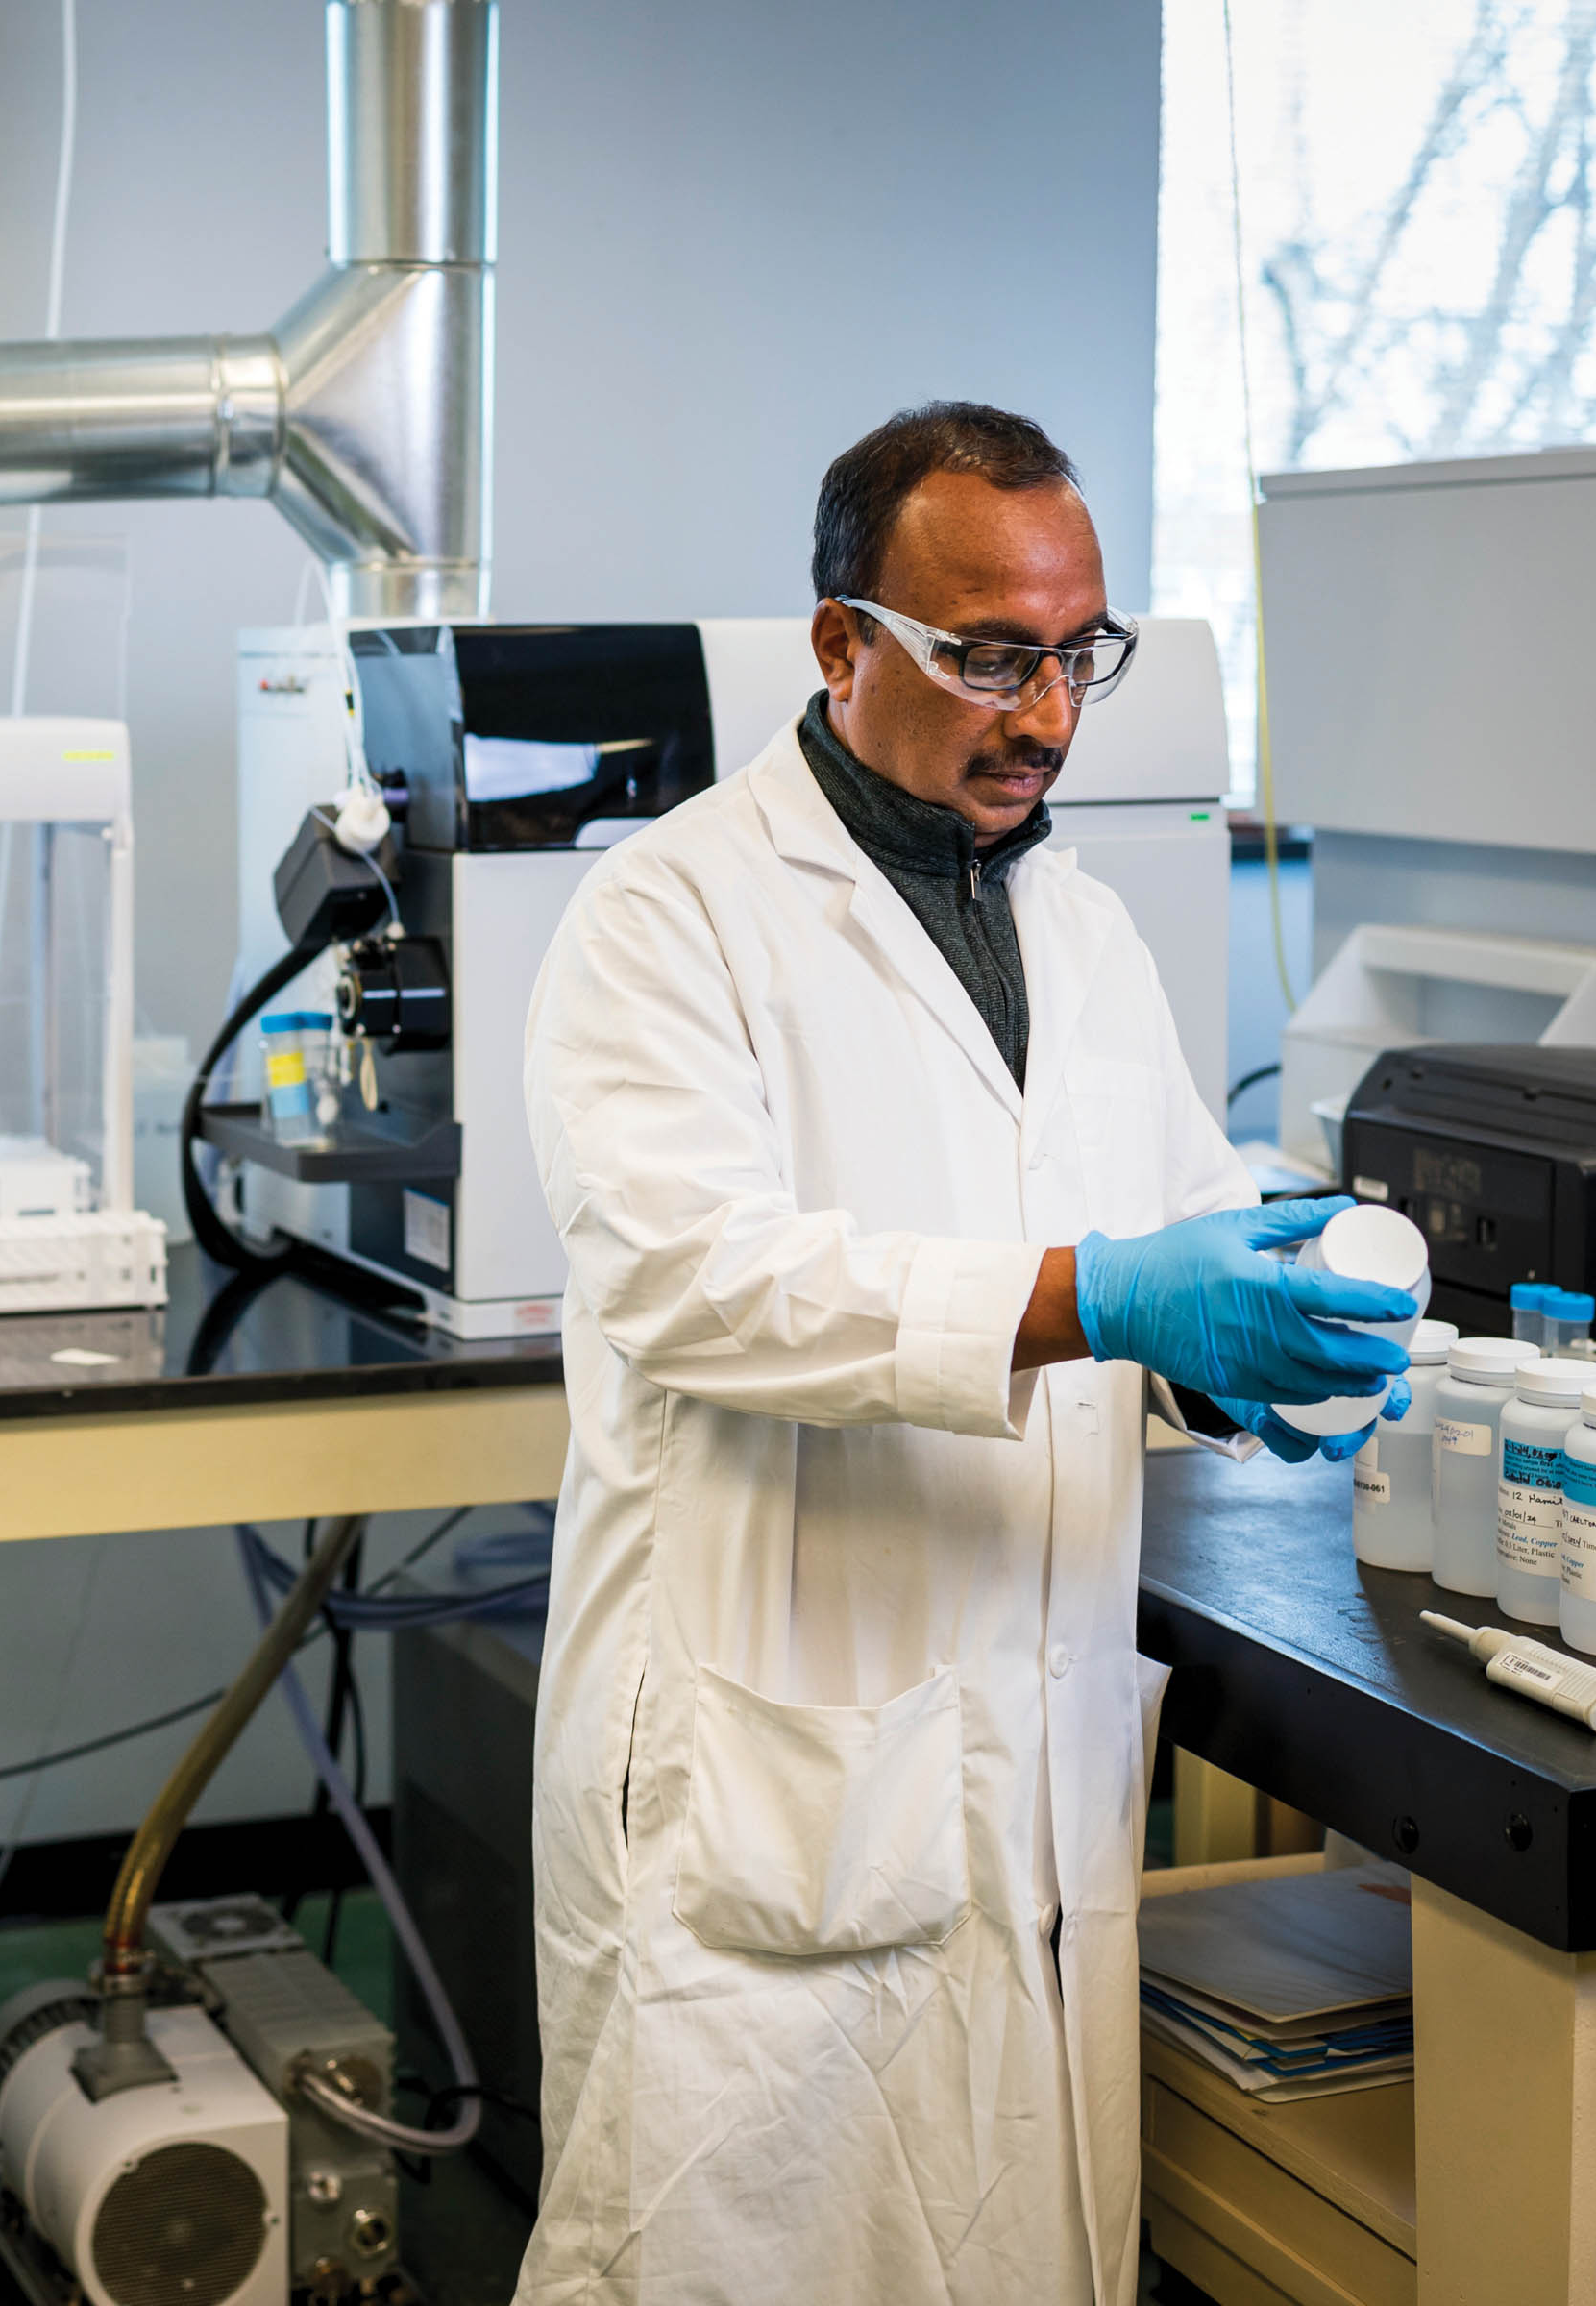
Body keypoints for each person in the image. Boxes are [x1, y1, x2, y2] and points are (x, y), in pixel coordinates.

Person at [513, 404, 1414, 2304]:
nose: (1046, 714)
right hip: (778, 1778)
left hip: (1028, 1754)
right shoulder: (667, 915)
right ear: (843, 644)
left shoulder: (1077, 930)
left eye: (1077, 653)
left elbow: (1166, 1225)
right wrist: (1104, 1300)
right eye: (987, 655)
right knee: (724, 2242)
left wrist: (1250, 1339)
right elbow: (699, 1279)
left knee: (1010, 2238)